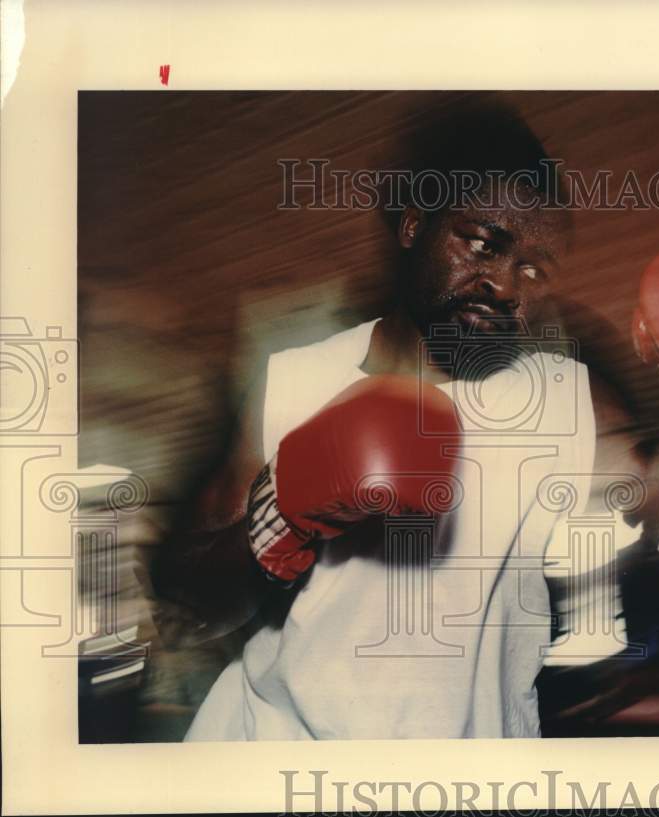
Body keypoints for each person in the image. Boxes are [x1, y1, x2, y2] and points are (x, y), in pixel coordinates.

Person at [151, 106, 599, 740]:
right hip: (280, 758)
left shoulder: (560, 397)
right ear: (415, 223)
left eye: (531, 269)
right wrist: (281, 509)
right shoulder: (296, 383)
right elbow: (195, 602)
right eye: (483, 243)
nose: (503, 284)